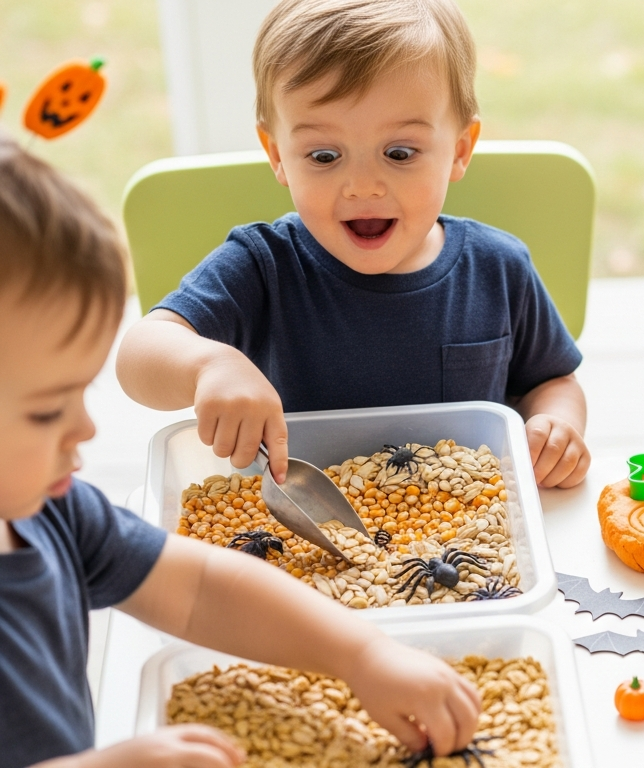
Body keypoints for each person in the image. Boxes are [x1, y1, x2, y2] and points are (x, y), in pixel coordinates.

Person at [0, 135, 482, 768]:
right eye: (46, 409)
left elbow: (200, 587)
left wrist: (361, 654)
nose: (86, 430)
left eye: (79, 394)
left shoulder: (49, 515)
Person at [116, 0, 589, 489]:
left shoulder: (498, 268)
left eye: (399, 153)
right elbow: (138, 355)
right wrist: (209, 365)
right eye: (324, 155)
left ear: (460, 150)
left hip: (465, 533)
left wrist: (557, 428)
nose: (363, 186)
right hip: (295, 532)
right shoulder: (263, 266)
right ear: (278, 156)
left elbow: (551, 381)